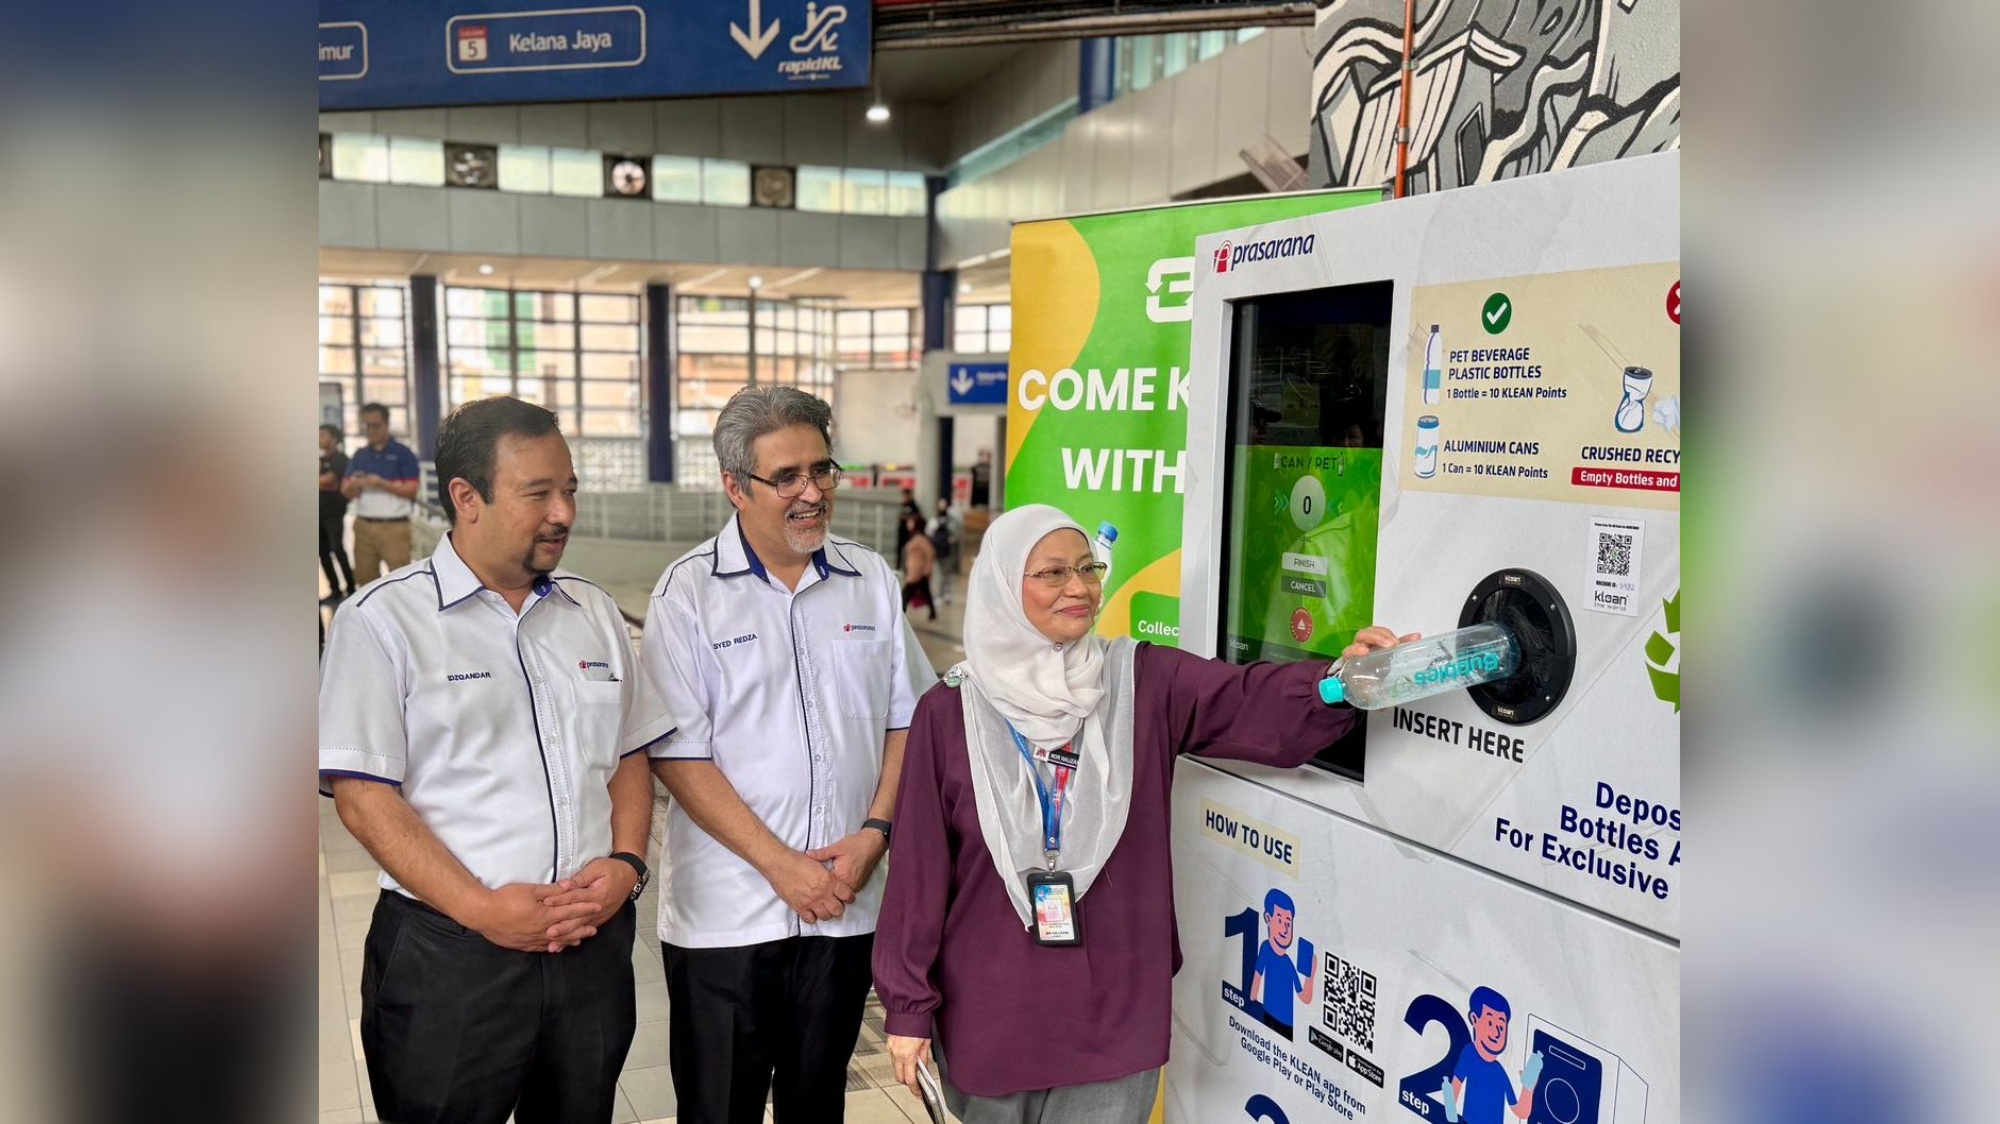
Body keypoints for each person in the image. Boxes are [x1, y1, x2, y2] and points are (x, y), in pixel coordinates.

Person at [873, 504, 1415, 1123]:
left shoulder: (1142, 681)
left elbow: (1248, 701)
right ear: (1002, 585)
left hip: (1115, 1005)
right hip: (991, 1010)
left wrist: (1339, 681)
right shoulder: (949, 713)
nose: (1079, 587)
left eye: (1087, 568)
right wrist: (909, 1009)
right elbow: (917, 874)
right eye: (1051, 573)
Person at [320, 396, 652, 1123]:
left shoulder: (591, 611)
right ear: (466, 498)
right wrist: (482, 910)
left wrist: (627, 865)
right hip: (453, 956)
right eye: (538, 493)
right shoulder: (382, 621)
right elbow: (364, 797)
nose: (563, 511)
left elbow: (629, 750)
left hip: (590, 945)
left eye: (569, 489)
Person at [621, 386, 937, 1124]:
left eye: (822, 471)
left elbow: (908, 722)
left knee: (816, 1105)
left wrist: (875, 835)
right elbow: (679, 754)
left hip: (846, 906)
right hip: (728, 921)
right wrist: (782, 866)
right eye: (786, 477)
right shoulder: (688, 594)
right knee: (719, 1107)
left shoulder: (871, 582)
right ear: (735, 486)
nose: (812, 493)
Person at [342, 402, 421, 588]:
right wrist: (354, 485)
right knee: (366, 582)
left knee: (401, 582)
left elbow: (411, 490)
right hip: (363, 526)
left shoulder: (403, 454)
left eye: (375, 425)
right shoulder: (360, 455)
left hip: (393, 527)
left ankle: (401, 617)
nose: (370, 430)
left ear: (386, 425)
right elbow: (345, 491)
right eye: (366, 426)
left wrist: (381, 483)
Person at [318, 423, 356, 607]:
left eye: (323, 435)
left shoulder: (340, 458)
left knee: (337, 549)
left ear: (333, 438)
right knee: (322, 552)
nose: (319, 439)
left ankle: (350, 589)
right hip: (317, 513)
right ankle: (334, 589)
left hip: (334, 511)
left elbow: (332, 483)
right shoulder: (320, 459)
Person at [901, 512, 937, 621]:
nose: (909, 524)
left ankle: (900, 612)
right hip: (914, 571)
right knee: (926, 592)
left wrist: (927, 569)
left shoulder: (920, 539)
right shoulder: (914, 537)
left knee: (905, 594)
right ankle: (933, 613)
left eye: (911, 522)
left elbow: (930, 553)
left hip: (918, 572)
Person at [925, 497, 960, 605]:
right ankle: (939, 595)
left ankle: (947, 594)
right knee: (938, 574)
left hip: (948, 551)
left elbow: (956, 534)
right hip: (937, 550)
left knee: (947, 573)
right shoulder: (933, 520)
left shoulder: (951, 520)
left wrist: (952, 539)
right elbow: (929, 533)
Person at [894, 485, 921, 562]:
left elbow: (916, 516)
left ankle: (907, 566)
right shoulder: (902, 505)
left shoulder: (913, 505)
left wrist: (906, 518)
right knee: (899, 548)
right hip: (901, 530)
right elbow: (898, 516)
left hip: (909, 532)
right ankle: (898, 565)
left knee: (908, 549)